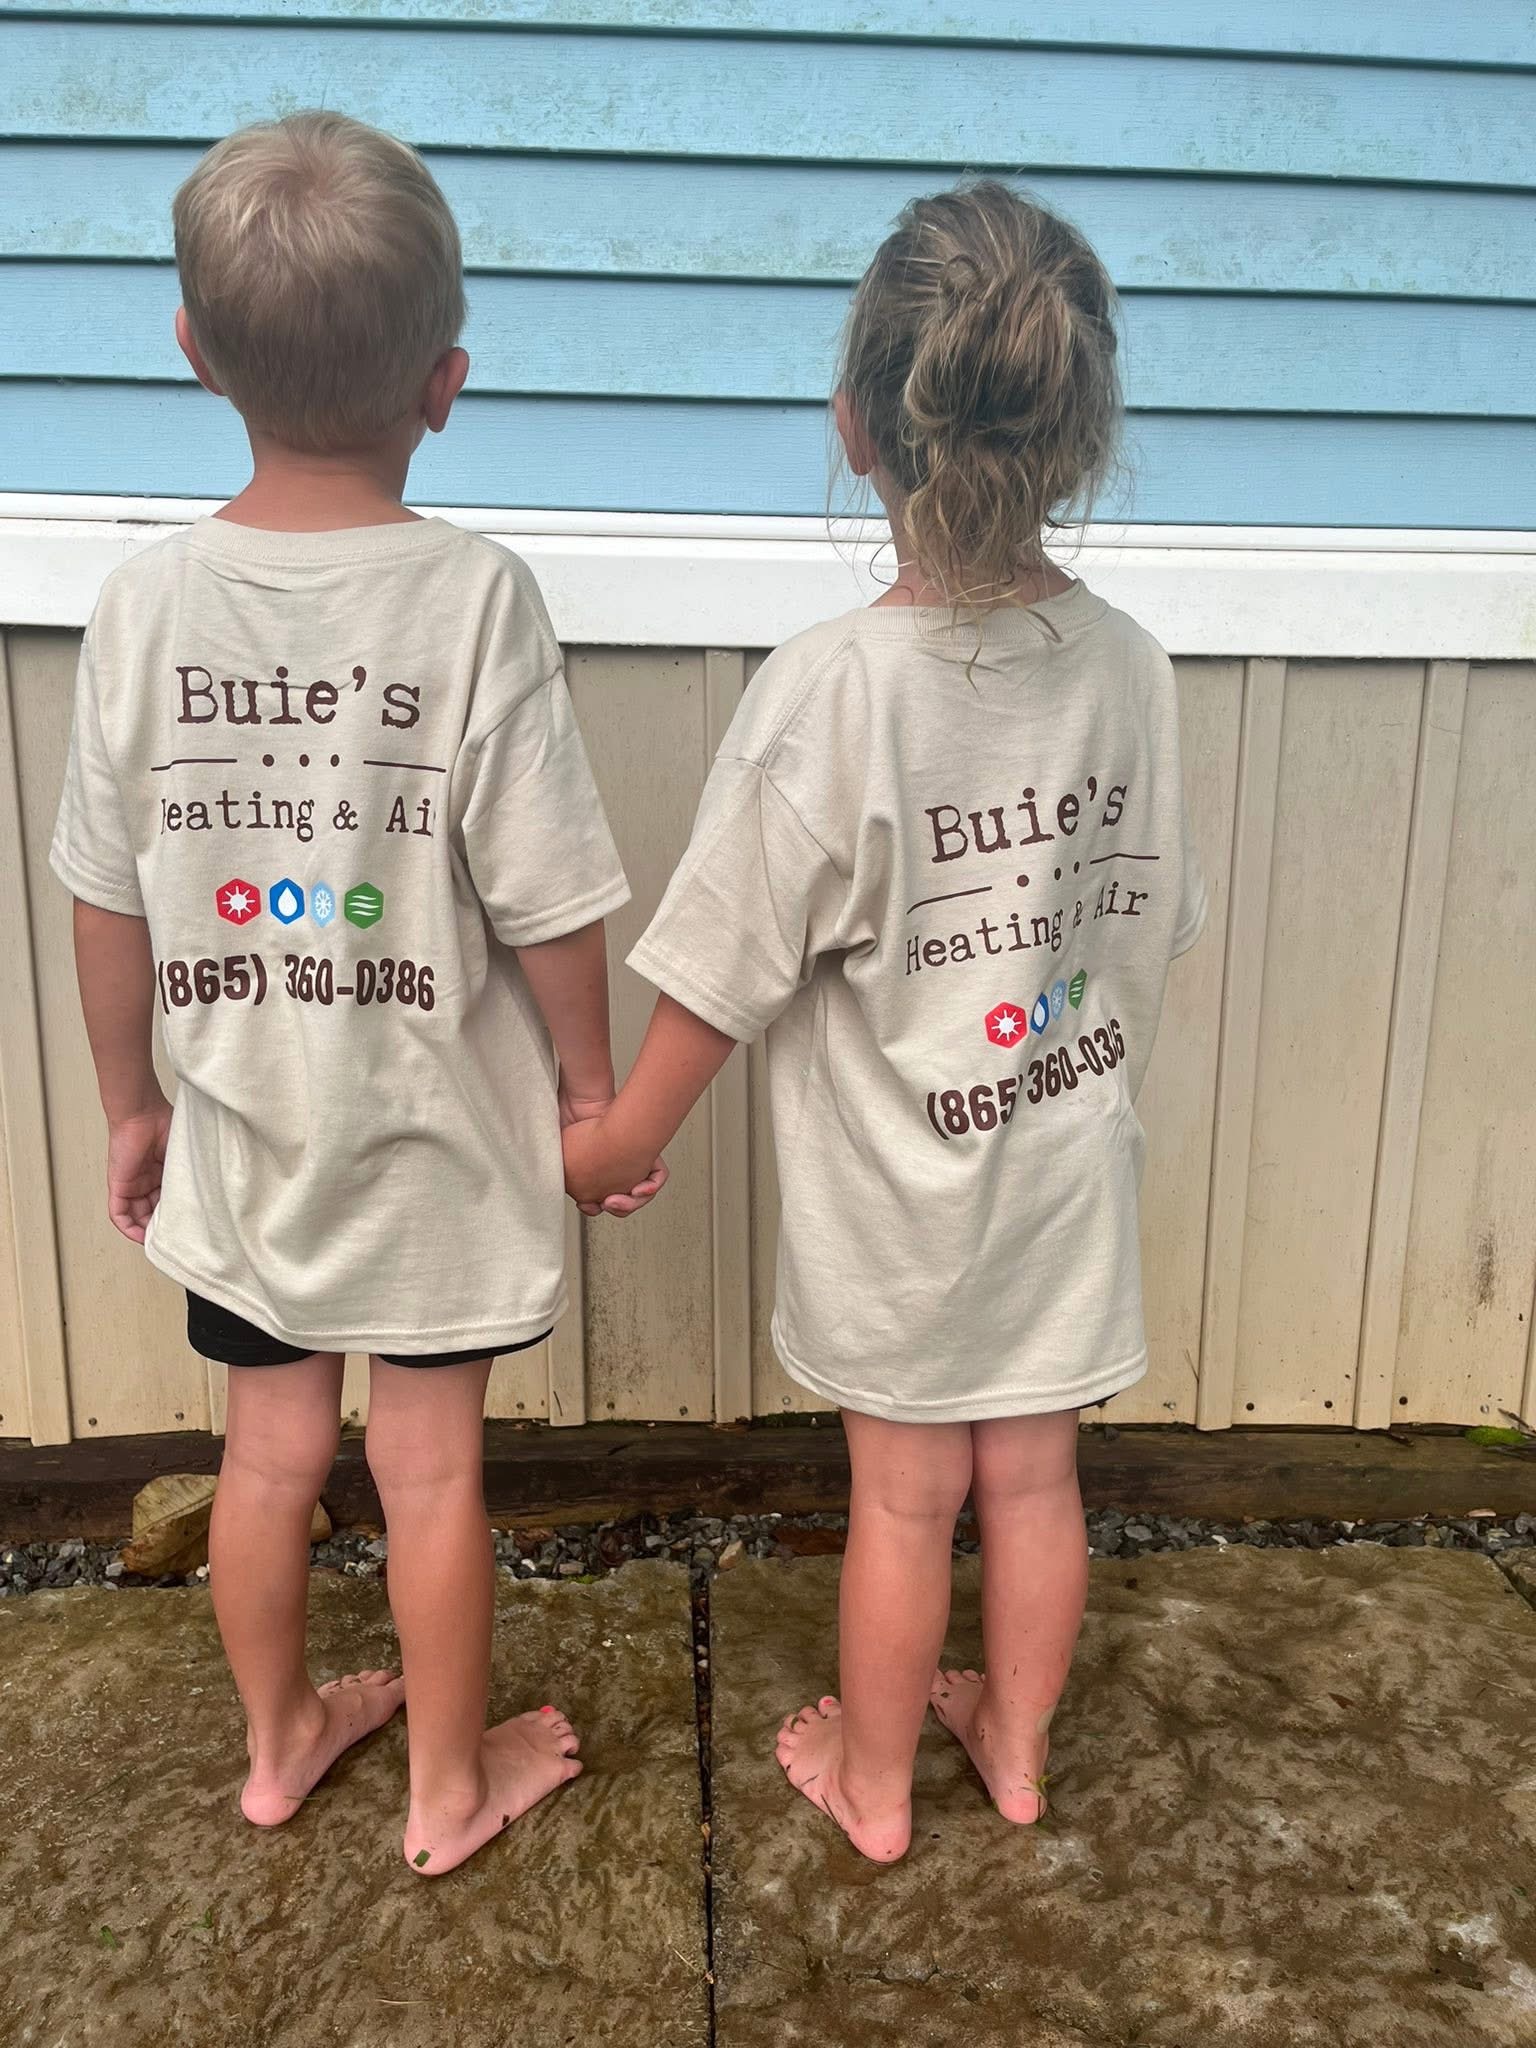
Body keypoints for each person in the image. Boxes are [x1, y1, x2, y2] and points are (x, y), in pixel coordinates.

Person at [564, 182, 1206, 1863]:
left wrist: (624, 1134)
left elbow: (722, 960)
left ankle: (869, 1783)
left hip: (899, 1210)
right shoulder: (1132, 668)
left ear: (858, 426)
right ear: (1081, 432)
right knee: (1041, 1487)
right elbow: (1148, 919)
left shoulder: (830, 692)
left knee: (910, 1501)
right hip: (1068, 1163)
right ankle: (1011, 1742)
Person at [52, 111, 660, 1876]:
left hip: (245, 1140)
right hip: (433, 1151)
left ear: (191, 356)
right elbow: (550, 902)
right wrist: (587, 1091)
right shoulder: (473, 602)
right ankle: (449, 1787)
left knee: (264, 1458)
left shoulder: (143, 607)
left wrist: (133, 1105)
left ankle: (276, 1744)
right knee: (430, 1474)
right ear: (446, 382)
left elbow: (107, 904)